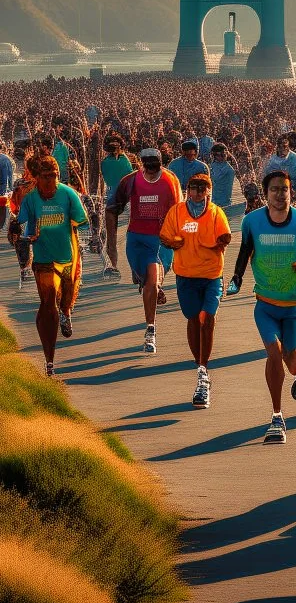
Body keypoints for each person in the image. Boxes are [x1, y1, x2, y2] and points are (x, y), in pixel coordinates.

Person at [230, 170, 296, 444]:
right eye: (274, 189)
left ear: (291, 192)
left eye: (284, 189)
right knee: (273, 354)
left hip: (294, 305)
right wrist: (236, 280)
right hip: (265, 304)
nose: (280, 194)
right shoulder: (252, 221)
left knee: (290, 359)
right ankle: (277, 416)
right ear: (265, 194)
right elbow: (244, 252)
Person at [160, 173, 231, 409]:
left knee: (206, 318)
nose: (198, 192)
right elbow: (165, 236)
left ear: (209, 191)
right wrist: (173, 243)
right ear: (187, 189)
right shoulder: (177, 212)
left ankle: (203, 372)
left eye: (203, 188)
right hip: (186, 275)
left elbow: (225, 235)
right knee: (193, 319)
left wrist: (223, 240)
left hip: (211, 275)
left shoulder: (216, 213)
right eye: (194, 187)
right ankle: (198, 363)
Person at [16, 157, 88, 377]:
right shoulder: (30, 199)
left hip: (67, 257)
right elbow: (21, 226)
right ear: (37, 177)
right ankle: (49, 360)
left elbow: (81, 221)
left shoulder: (68, 194)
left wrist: (86, 229)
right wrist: (23, 236)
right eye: (46, 176)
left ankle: (66, 312)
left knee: (65, 298)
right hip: (43, 258)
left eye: (54, 176)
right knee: (48, 303)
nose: (51, 180)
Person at [111, 147, 182, 354]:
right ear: (141, 164)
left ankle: (150, 329)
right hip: (137, 239)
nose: (151, 170)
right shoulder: (131, 181)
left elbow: (178, 212)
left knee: (152, 277)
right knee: (149, 278)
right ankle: (152, 286)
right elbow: (112, 208)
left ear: (161, 164)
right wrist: (110, 243)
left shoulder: (170, 180)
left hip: (161, 239)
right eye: (147, 165)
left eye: (155, 166)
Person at [100, 134, 133, 277]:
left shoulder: (104, 162)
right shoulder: (125, 160)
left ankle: (113, 264)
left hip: (111, 199)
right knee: (129, 233)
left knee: (111, 235)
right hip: (126, 198)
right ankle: (131, 265)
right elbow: (130, 176)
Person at [262, 135, 296, 201]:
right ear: (277, 148)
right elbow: (267, 179)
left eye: (285, 147)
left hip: (292, 193)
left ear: (288, 147)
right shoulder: (271, 161)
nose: (283, 150)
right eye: (280, 147)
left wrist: (292, 193)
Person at [207, 142, 236, 213]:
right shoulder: (212, 165)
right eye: (219, 155)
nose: (222, 157)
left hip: (223, 204)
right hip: (212, 201)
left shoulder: (228, 169)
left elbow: (215, 178)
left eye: (224, 154)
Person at [0, 141, 13, 232]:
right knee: (2, 209)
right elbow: (9, 176)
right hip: (2, 189)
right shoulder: (6, 159)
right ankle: (0, 227)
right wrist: (10, 189)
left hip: (2, 188)